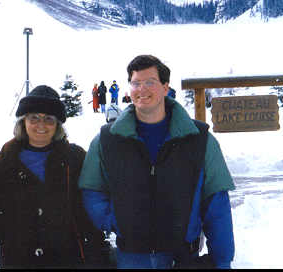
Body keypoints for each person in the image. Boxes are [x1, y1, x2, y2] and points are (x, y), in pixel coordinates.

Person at [79, 55, 235, 269]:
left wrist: (223, 260)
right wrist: (113, 220)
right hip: (131, 258)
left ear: (165, 87)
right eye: (136, 83)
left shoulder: (200, 139)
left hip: (182, 258)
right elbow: (91, 189)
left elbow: (217, 204)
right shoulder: (106, 140)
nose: (141, 89)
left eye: (150, 82)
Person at [0, 85, 111, 269]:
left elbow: (88, 211)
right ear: (23, 121)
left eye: (49, 119)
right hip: (19, 261)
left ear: (58, 125)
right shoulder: (3, 164)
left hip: (67, 259)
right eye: (34, 118)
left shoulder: (75, 159)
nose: (41, 125)